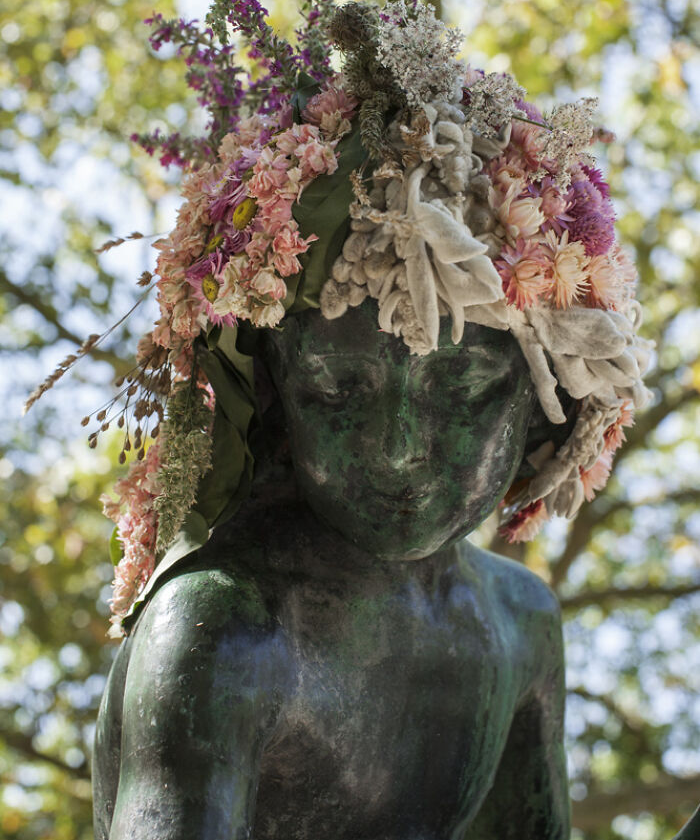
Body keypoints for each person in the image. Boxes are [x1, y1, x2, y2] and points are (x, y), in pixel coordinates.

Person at [93, 304, 570, 840]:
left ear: (542, 400)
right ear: (277, 394)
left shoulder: (521, 619)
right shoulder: (222, 623)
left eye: (460, 385)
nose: (397, 450)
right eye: (340, 386)